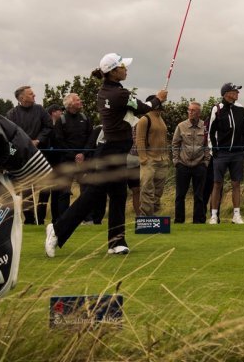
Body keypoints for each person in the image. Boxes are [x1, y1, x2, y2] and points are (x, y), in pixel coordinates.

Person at [46, 54, 160, 257]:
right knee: (94, 194)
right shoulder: (120, 94)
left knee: (118, 195)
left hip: (114, 149)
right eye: (123, 67)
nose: (126, 69)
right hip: (112, 150)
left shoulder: (106, 91)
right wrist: (158, 97)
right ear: (114, 72)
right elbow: (146, 109)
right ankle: (57, 229)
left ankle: (116, 242)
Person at [7, 85, 54, 224]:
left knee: (46, 186)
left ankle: (41, 217)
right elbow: (10, 133)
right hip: (22, 155)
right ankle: (29, 219)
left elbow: (48, 126)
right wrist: (25, 143)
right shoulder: (12, 114)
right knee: (27, 189)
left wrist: (38, 140)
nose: (34, 96)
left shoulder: (40, 109)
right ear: (22, 98)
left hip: (40, 154)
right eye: (31, 94)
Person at [207, 83, 244, 224]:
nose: (237, 93)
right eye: (234, 91)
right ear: (226, 93)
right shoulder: (217, 108)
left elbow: (243, 131)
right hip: (221, 153)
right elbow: (211, 131)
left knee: (236, 183)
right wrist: (214, 150)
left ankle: (236, 215)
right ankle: (213, 215)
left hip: (237, 152)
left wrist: (243, 148)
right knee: (217, 183)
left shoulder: (241, 108)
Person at [51, 93, 92, 223]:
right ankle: (64, 219)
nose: (80, 101)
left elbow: (90, 138)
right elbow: (59, 141)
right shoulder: (61, 120)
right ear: (70, 104)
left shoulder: (85, 118)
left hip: (83, 161)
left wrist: (83, 154)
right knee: (64, 192)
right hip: (67, 161)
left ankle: (87, 218)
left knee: (86, 191)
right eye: (78, 100)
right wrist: (74, 155)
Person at [171, 101, 210, 224]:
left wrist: (206, 162)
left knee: (199, 195)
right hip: (183, 165)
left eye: (193, 110)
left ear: (199, 113)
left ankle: (198, 221)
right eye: (189, 110)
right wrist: (176, 161)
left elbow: (208, 145)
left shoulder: (205, 127)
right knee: (180, 195)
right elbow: (175, 144)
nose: (190, 112)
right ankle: (179, 220)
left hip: (200, 165)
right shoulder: (181, 126)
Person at [134, 89, 170, 216]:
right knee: (147, 190)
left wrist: (166, 157)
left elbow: (164, 139)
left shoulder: (161, 119)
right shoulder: (144, 119)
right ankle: (146, 216)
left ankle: (154, 215)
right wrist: (143, 158)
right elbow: (140, 139)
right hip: (149, 160)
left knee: (158, 191)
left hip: (162, 160)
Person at [36, 103, 64, 224]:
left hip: (57, 162)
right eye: (59, 111)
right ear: (53, 112)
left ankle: (55, 219)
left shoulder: (61, 126)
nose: (61, 113)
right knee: (44, 192)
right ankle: (40, 219)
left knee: (56, 192)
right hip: (46, 163)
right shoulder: (44, 127)